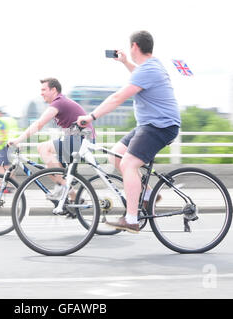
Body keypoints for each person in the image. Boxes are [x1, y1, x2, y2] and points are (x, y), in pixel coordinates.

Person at [77, 30, 181, 233]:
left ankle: (131, 219)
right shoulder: (151, 66)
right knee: (115, 154)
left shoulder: (148, 69)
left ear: (134, 46)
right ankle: (148, 195)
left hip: (161, 126)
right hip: (149, 125)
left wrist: (91, 117)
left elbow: (118, 97)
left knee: (128, 163)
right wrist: (125, 62)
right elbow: (139, 76)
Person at [8, 77, 95, 200]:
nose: (41, 93)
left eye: (44, 89)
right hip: (76, 138)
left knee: (43, 148)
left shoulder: (58, 102)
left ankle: (64, 187)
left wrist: (18, 140)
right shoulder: (61, 102)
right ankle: (74, 201)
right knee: (54, 169)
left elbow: (39, 124)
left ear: (53, 90)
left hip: (81, 139)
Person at [0, 107, 19, 192]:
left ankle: (4, 186)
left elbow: (3, 135)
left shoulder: (0, 121)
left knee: (1, 167)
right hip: (10, 145)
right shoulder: (10, 120)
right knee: (7, 167)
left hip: (3, 146)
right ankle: (13, 185)